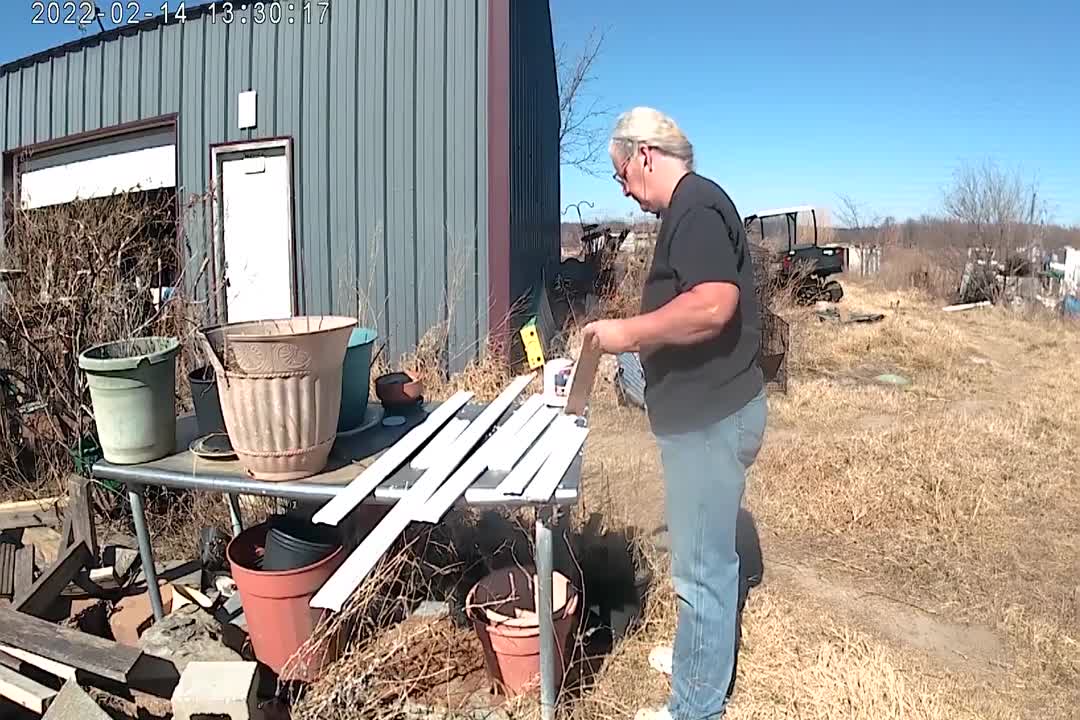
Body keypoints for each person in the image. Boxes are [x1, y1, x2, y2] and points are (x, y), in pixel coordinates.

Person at [581, 107, 768, 720]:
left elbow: (714, 306)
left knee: (702, 570)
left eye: (620, 176)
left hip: (710, 422)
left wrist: (626, 334)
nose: (625, 190)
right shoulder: (690, 209)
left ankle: (695, 706)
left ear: (644, 155)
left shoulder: (695, 206)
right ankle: (699, 656)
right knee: (704, 559)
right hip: (708, 412)